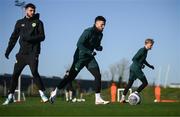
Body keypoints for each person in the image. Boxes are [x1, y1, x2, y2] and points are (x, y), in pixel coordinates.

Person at [49, 16, 109, 105]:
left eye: (104, 25)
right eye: (102, 25)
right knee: (71, 77)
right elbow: (79, 44)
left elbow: (96, 45)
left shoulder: (101, 35)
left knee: (97, 75)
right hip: (80, 58)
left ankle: (98, 99)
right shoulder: (88, 31)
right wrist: (89, 51)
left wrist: (99, 47)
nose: (103, 27)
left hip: (89, 58)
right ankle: (56, 91)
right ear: (96, 24)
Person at [2, 3, 48, 105]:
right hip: (21, 54)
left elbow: (42, 36)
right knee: (15, 75)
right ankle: (10, 97)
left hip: (33, 53)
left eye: (34, 11)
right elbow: (13, 38)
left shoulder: (38, 22)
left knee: (34, 72)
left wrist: (29, 38)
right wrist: (8, 50)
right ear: (26, 10)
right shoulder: (19, 23)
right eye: (31, 10)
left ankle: (43, 94)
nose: (33, 12)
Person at [120, 39, 155, 103]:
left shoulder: (146, 51)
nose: (151, 46)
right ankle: (135, 93)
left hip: (133, 68)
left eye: (152, 45)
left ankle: (122, 98)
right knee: (145, 83)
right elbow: (134, 58)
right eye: (151, 45)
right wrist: (140, 66)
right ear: (147, 44)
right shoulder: (142, 50)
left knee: (129, 84)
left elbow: (143, 60)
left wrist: (150, 66)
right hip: (136, 68)